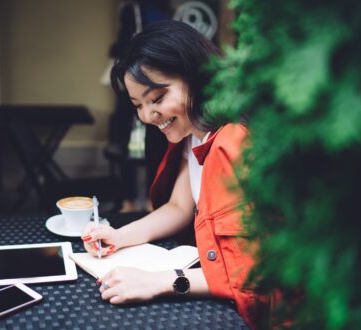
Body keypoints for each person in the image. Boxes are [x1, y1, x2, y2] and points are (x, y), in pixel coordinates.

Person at [83, 20, 265, 329]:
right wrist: (118, 236)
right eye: (138, 105)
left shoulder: (232, 142)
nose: (147, 115)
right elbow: (179, 207)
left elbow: (249, 272)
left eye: (156, 99)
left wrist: (161, 281)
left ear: (197, 77)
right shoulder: (195, 134)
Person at [104, 0, 170, 212]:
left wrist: (114, 49)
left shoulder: (132, 10)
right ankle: (154, 200)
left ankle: (129, 201)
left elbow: (127, 47)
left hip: (135, 83)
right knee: (156, 140)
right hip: (155, 84)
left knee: (128, 144)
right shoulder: (165, 11)